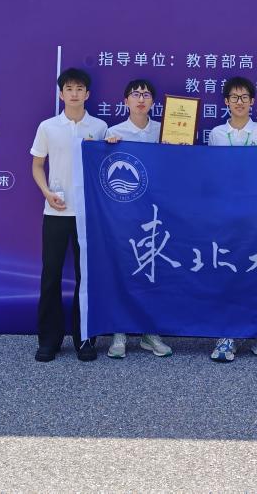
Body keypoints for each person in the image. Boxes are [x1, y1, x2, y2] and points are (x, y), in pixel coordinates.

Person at [206, 75, 257, 364]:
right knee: (228, 272)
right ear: (226, 102)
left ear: (252, 101)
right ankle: (227, 334)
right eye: (233, 97)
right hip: (226, 215)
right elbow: (209, 173)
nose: (239, 102)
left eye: (244, 97)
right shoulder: (216, 134)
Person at [30, 67, 107, 362]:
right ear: (61, 94)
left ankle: (84, 339)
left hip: (88, 215)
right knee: (50, 276)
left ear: (88, 94)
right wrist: (46, 192)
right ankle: (48, 341)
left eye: (79, 89)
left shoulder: (99, 127)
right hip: (56, 211)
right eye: (69, 89)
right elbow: (37, 165)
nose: (74, 94)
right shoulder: (48, 127)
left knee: (85, 279)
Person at [103, 78, 173, 359]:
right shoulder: (114, 132)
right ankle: (119, 332)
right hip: (123, 215)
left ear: (153, 102)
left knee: (153, 270)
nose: (141, 99)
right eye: (135, 94)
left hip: (158, 212)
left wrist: (176, 147)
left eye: (146, 95)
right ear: (126, 101)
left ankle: (149, 331)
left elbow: (179, 165)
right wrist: (107, 148)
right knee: (123, 269)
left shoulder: (165, 129)